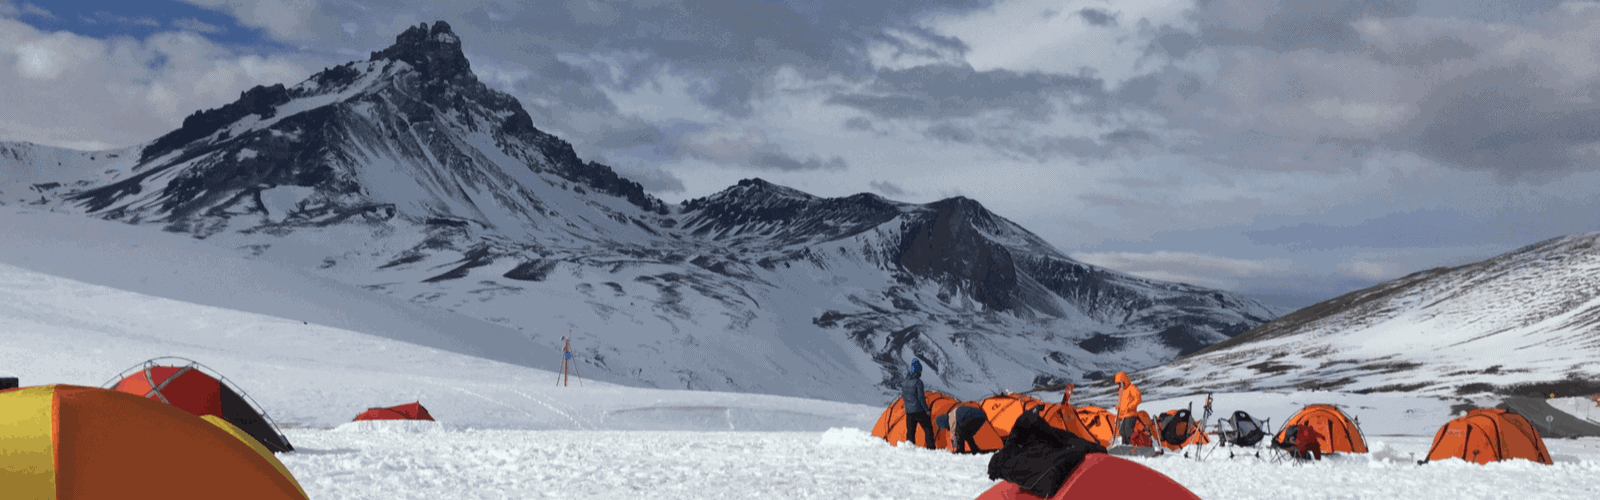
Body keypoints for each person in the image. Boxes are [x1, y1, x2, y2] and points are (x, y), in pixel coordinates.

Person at [901, 359, 935, 449]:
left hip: (909, 411)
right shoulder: (918, 382)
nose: (921, 373)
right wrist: (927, 410)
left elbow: (903, 396)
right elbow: (921, 398)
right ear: (917, 371)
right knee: (928, 429)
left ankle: (910, 449)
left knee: (911, 433)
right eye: (920, 371)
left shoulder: (904, 382)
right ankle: (931, 449)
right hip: (918, 410)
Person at [1114, 372, 1142, 444]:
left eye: (1120, 383)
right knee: (1122, 432)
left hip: (1130, 414)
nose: (1119, 385)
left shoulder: (1132, 388)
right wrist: (1117, 405)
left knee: (1128, 431)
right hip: (1121, 415)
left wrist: (1130, 407)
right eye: (1118, 383)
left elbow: (1138, 398)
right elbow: (1121, 401)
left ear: (1124, 381)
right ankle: (1125, 446)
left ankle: (1132, 445)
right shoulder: (1121, 391)